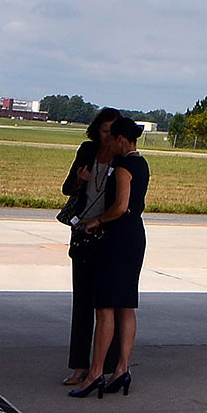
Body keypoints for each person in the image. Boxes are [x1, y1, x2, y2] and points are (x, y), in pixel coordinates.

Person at [68, 116, 148, 397]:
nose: (108, 144)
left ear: (121, 140)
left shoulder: (124, 166)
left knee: (104, 308)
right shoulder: (141, 163)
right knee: (126, 305)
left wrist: (98, 220)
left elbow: (121, 206)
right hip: (134, 236)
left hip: (118, 238)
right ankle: (122, 369)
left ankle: (95, 373)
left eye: (111, 139)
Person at [61, 107, 122, 385]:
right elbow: (67, 188)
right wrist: (79, 180)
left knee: (107, 305)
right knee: (82, 302)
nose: (108, 137)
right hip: (82, 231)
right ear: (96, 130)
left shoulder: (123, 158)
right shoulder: (87, 151)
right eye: (104, 130)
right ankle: (79, 365)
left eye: (112, 131)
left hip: (107, 234)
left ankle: (107, 365)